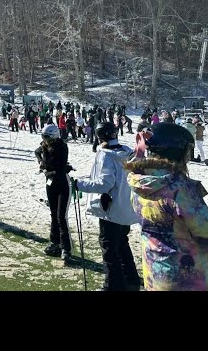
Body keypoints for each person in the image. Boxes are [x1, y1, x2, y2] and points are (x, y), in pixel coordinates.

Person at [124, 122, 208, 291]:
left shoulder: (140, 181)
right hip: (187, 281)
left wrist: (203, 217)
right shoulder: (180, 188)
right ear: (178, 153)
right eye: (188, 152)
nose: (189, 158)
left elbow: (166, 219)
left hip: (156, 275)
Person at [73, 122, 141, 291]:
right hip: (126, 207)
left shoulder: (106, 154)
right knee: (122, 244)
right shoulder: (126, 151)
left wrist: (79, 184)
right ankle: (131, 280)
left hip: (111, 208)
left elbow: (105, 183)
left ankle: (112, 286)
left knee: (109, 248)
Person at [35, 123, 73, 264]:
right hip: (50, 184)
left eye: (47, 138)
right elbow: (36, 152)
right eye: (43, 138)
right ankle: (54, 243)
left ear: (54, 137)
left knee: (61, 217)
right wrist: (41, 163)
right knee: (53, 214)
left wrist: (46, 169)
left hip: (62, 184)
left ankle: (66, 248)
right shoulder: (44, 146)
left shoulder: (62, 147)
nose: (45, 141)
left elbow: (60, 168)